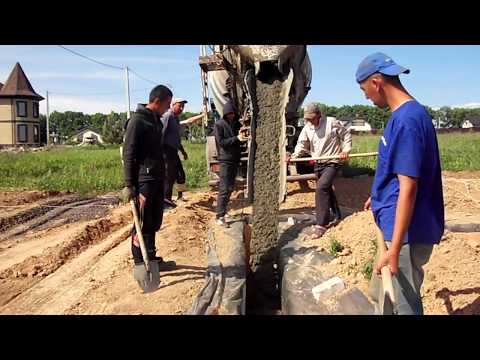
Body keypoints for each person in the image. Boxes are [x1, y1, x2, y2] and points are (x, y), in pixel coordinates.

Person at [356, 52, 444, 315]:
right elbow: (398, 175)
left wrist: (394, 249)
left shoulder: (406, 121)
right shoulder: (407, 116)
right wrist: (380, 195)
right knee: (382, 298)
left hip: (404, 235)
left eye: (364, 90)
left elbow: (409, 187)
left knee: (404, 305)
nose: (366, 97)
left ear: (377, 82)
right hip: (397, 229)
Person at [121, 85, 176, 272]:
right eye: (167, 104)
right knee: (142, 222)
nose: (169, 108)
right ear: (157, 101)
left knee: (153, 222)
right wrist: (129, 184)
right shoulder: (138, 121)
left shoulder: (156, 122)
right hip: (144, 181)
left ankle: (152, 258)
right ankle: (140, 264)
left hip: (157, 179)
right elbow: (129, 153)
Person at [288, 103, 352, 238]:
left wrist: (346, 150)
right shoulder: (307, 128)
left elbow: (346, 135)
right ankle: (337, 214)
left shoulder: (331, 123)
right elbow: (301, 144)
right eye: (307, 118)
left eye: (312, 118)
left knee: (321, 188)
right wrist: (294, 156)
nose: (310, 121)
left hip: (332, 162)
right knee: (327, 188)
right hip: (318, 163)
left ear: (319, 115)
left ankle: (321, 224)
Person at [161, 98, 204, 206]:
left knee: (180, 174)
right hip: (166, 151)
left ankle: (179, 196)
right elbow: (161, 133)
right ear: (172, 105)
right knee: (169, 176)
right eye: (179, 106)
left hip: (173, 151)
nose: (181, 108)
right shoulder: (168, 116)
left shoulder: (175, 119)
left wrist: (183, 151)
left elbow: (175, 138)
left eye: (182, 107)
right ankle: (166, 201)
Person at [214, 100, 248, 226]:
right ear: (225, 114)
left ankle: (224, 211)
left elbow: (238, 140)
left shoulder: (235, 124)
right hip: (225, 160)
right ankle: (219, 216)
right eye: (229, 114)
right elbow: (222, 142)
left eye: (233, 113)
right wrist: (236, 139)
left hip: (234, 159)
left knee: (230, 188)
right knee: (224, 188)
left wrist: (242, 138)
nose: (231, 115)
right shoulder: (219, 125)